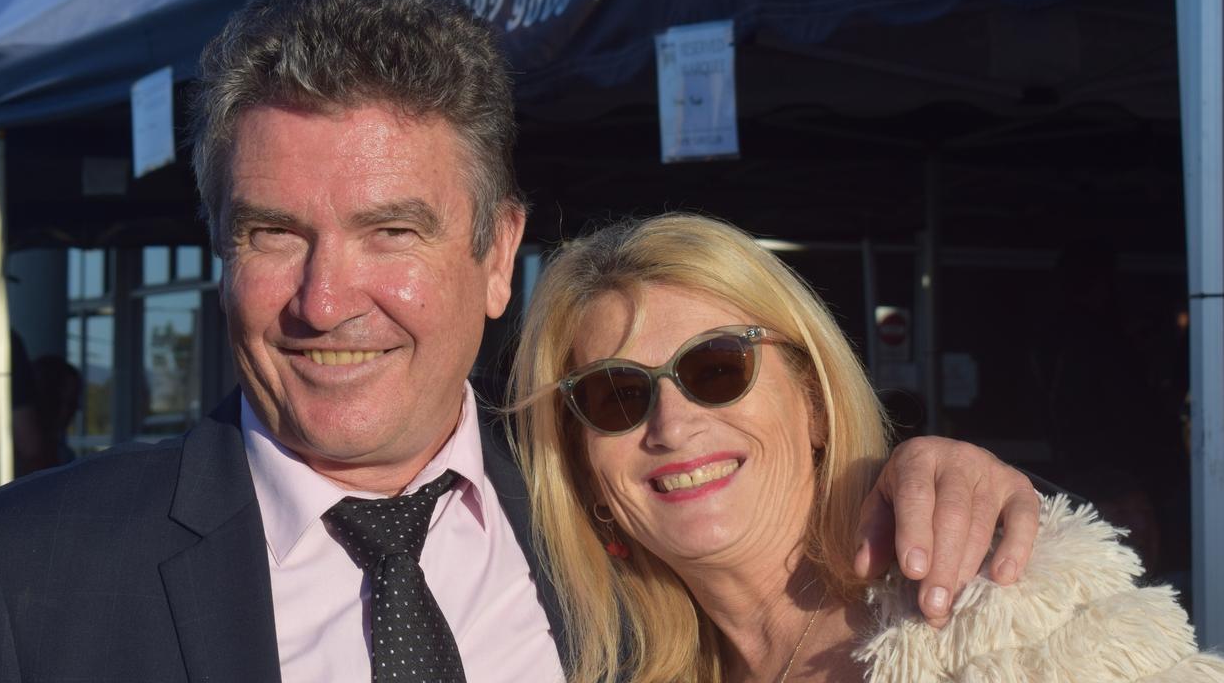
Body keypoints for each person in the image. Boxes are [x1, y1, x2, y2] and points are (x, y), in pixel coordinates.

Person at [0, 0, 1039, 682]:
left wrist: (928, 473)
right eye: (274, 233)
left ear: (497, 256)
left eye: (391, 232)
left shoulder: (610, 502)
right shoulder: (23, 578)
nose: (327, 302)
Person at [508, 213, 1224, 683]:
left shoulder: (1002, 614)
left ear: (814, 403)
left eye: (716, 369)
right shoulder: (597, 663)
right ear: (583, 468)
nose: (670, 423)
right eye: (616, 395)